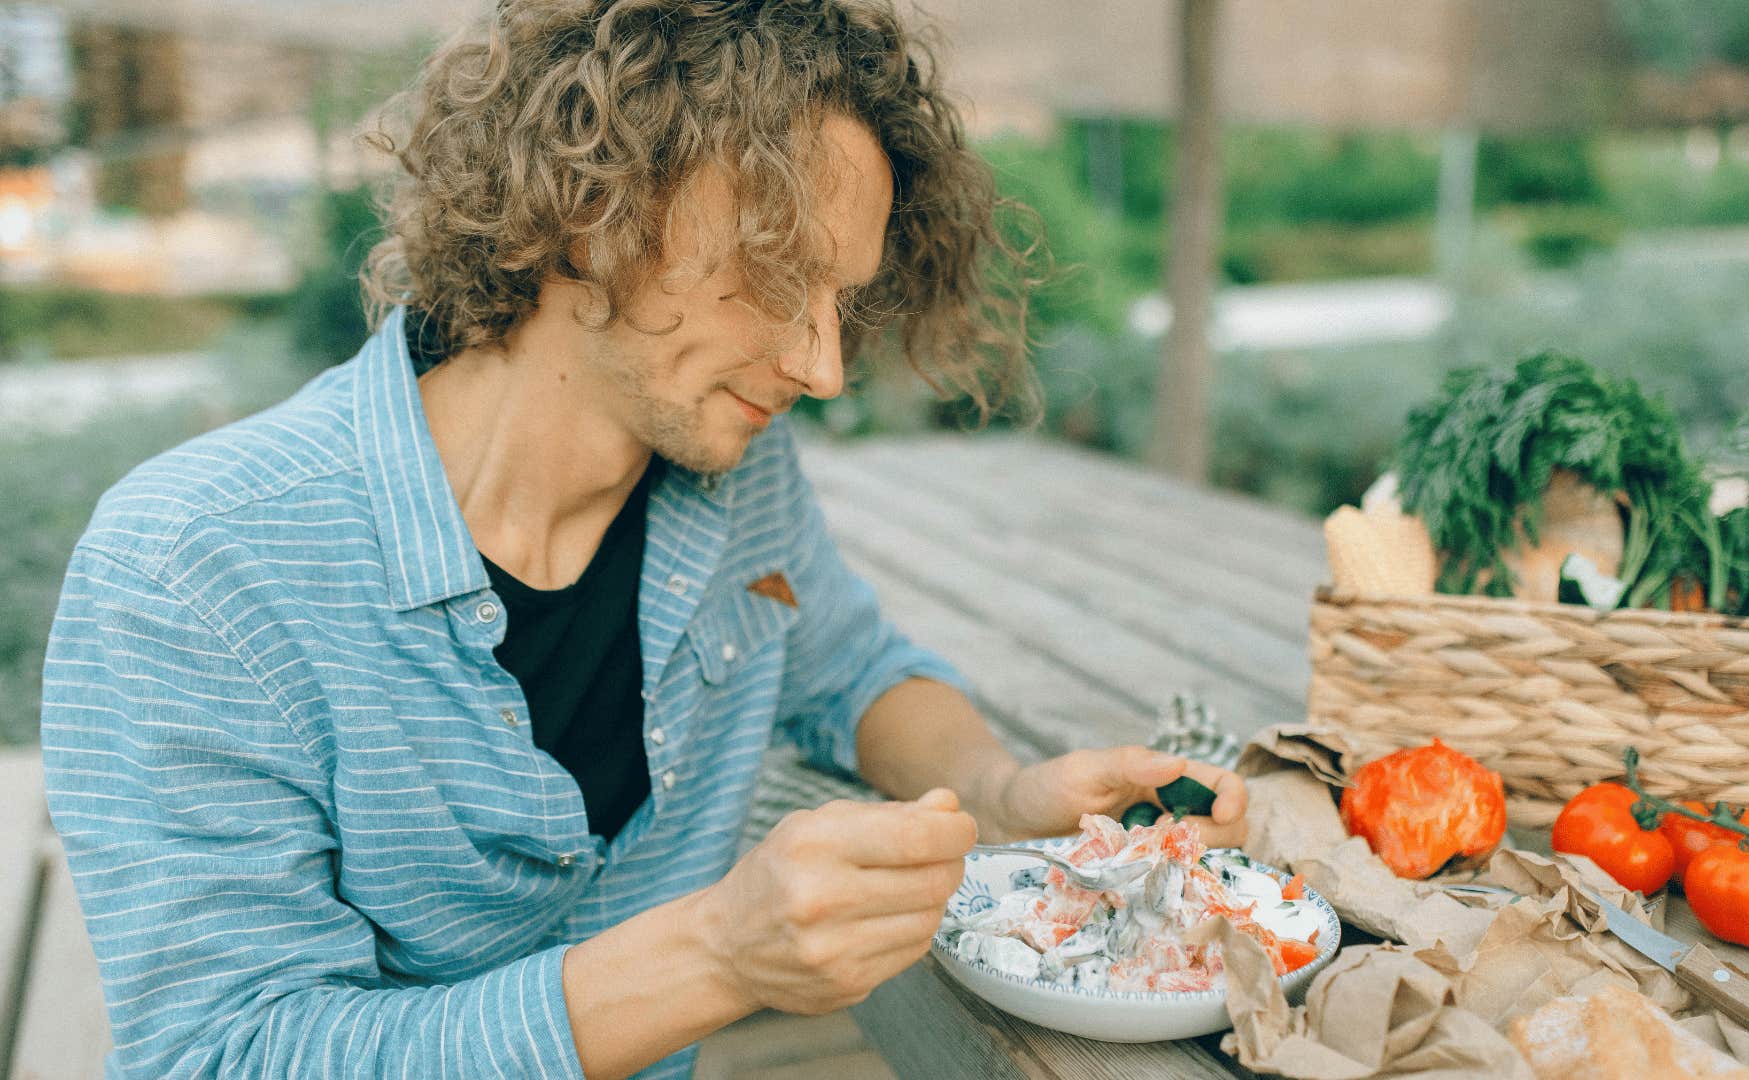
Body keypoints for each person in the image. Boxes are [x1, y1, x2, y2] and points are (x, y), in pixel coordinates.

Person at [40, 2, 1248, 1078]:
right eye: (777, 279)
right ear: (592, 211)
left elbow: (847, 669)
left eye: (843, 302)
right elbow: (222, 1053)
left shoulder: (731, 464)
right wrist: (718, 956)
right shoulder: (192, 569)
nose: (822, 366)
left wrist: (1001, 790)